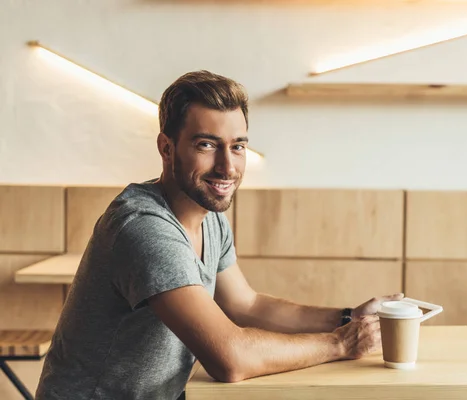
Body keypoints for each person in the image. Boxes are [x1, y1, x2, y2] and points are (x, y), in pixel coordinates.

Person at [35, 70, 404, 400]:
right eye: (207, 145)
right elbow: (230, 358)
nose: (227, 167)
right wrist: (340, 343)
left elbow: (247, 305)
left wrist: (348, 317)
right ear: (167, 148)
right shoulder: (145, 228)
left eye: (238, 146)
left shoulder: (207, 214)